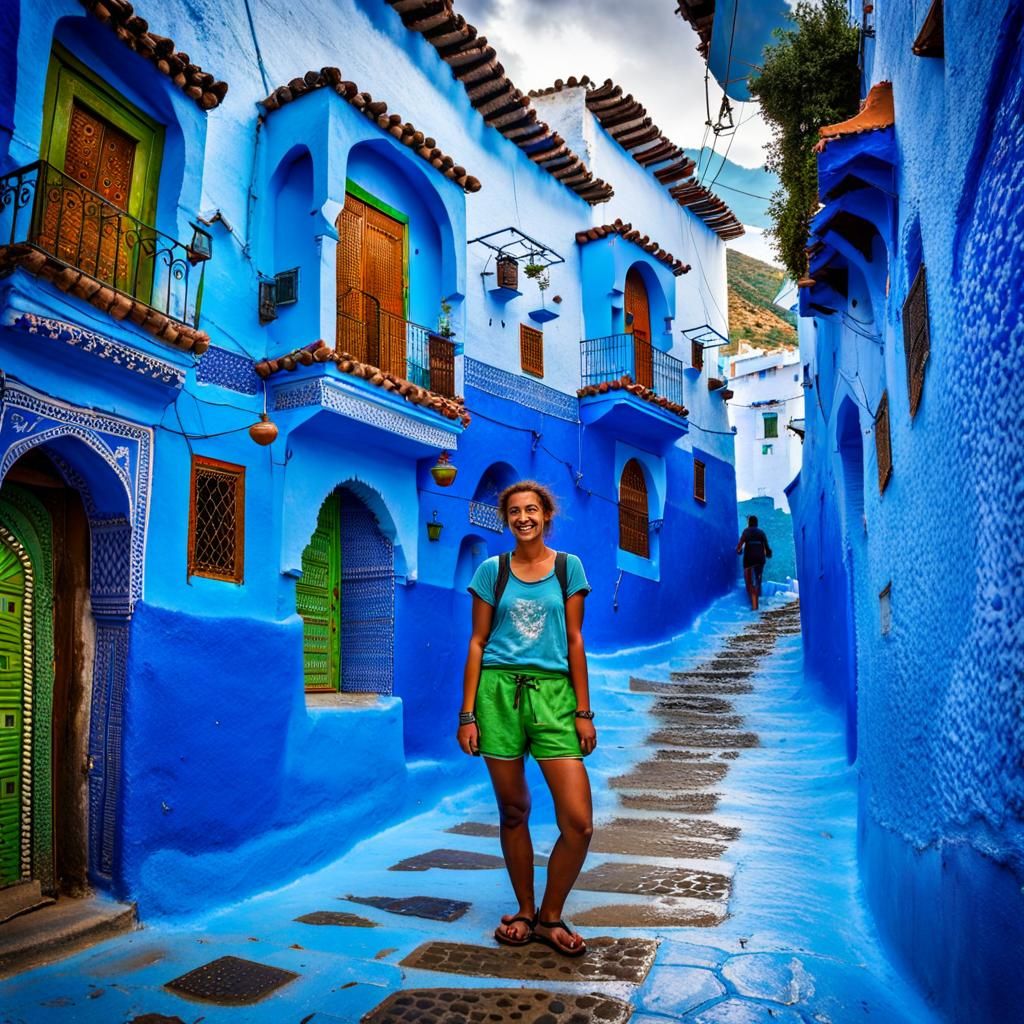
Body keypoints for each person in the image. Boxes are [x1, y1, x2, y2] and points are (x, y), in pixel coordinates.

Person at [457, 481, 596, 957]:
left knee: (578, 822)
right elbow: (477, 642)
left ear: (546, 514)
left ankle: (550, 917)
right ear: (506, 519)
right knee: (514, 811)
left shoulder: (567, 568)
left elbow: (575, 641)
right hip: (498, 695)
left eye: (531, 509)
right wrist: (468, 714)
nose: (523, 518)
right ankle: (524, 910)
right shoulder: (491, 571)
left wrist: (583, 711)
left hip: (555, 698)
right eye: (514, 511)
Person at [736, 514, 772, 611]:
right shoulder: (761, 532)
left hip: (749, 559)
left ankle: (754, 604)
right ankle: (757, 597)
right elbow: (767, 547)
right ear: (756, 523)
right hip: (760, 559)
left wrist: (738, 550)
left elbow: (740, 545)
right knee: (757, 579)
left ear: (749, 523)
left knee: (749, 582)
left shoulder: (746, 531)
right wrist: (768, 553)